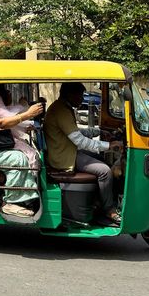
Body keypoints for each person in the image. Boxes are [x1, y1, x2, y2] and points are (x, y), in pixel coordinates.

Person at [44, 82, 123, 225]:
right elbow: (80, 141)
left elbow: (74, 132)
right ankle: (108, 209)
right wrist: (109, 145)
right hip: (64, 157)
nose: (82, 99)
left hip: (68, 150)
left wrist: (99, 132)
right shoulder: (61, 111)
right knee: (105, 171)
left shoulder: (63, 108)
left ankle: (99, 201)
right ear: (70, 95)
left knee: (102, 159)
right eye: (80, 95)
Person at [0, 100, 43, 217]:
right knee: (18, 157)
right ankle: (10, 202)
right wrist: (27, 114)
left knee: (23, 155)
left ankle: (24, 197)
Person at [0, 84, 41, 169]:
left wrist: (27, 123)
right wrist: (27, 111)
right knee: (32, 154)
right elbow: (6, 118)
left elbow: (7, 114)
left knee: (25, 143)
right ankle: (34, 178)